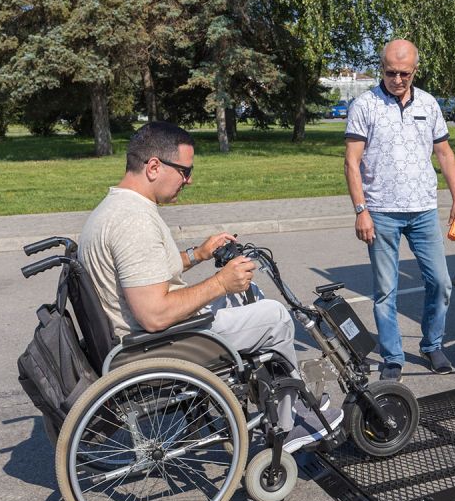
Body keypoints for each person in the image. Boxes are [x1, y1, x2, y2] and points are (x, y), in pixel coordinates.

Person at [78, 121, 340, 450]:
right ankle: (289, 425)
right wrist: (220, 282)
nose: (189, 180)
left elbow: (143, 273)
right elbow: (154, 315)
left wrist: (197, 254)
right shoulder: (133, 222)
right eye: (185, 171)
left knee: (250, 296)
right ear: (155, 166)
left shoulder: (117, 206)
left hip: (138, 334)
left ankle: (273, 398)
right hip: (153, 343)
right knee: (274, 316)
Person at [344, 39, 455, 381]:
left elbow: (444, 154)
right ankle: (393, 357)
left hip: (424, 211)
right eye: (390, 72)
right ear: (381, 68)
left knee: (440, 282)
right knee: (386, 290)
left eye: (405, 73)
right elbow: (352, 162)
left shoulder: (429, 104)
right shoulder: (364, 105)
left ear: (415, 70)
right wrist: (361, 210)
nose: (397, 79)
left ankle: (432, 345)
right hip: (380, 212)